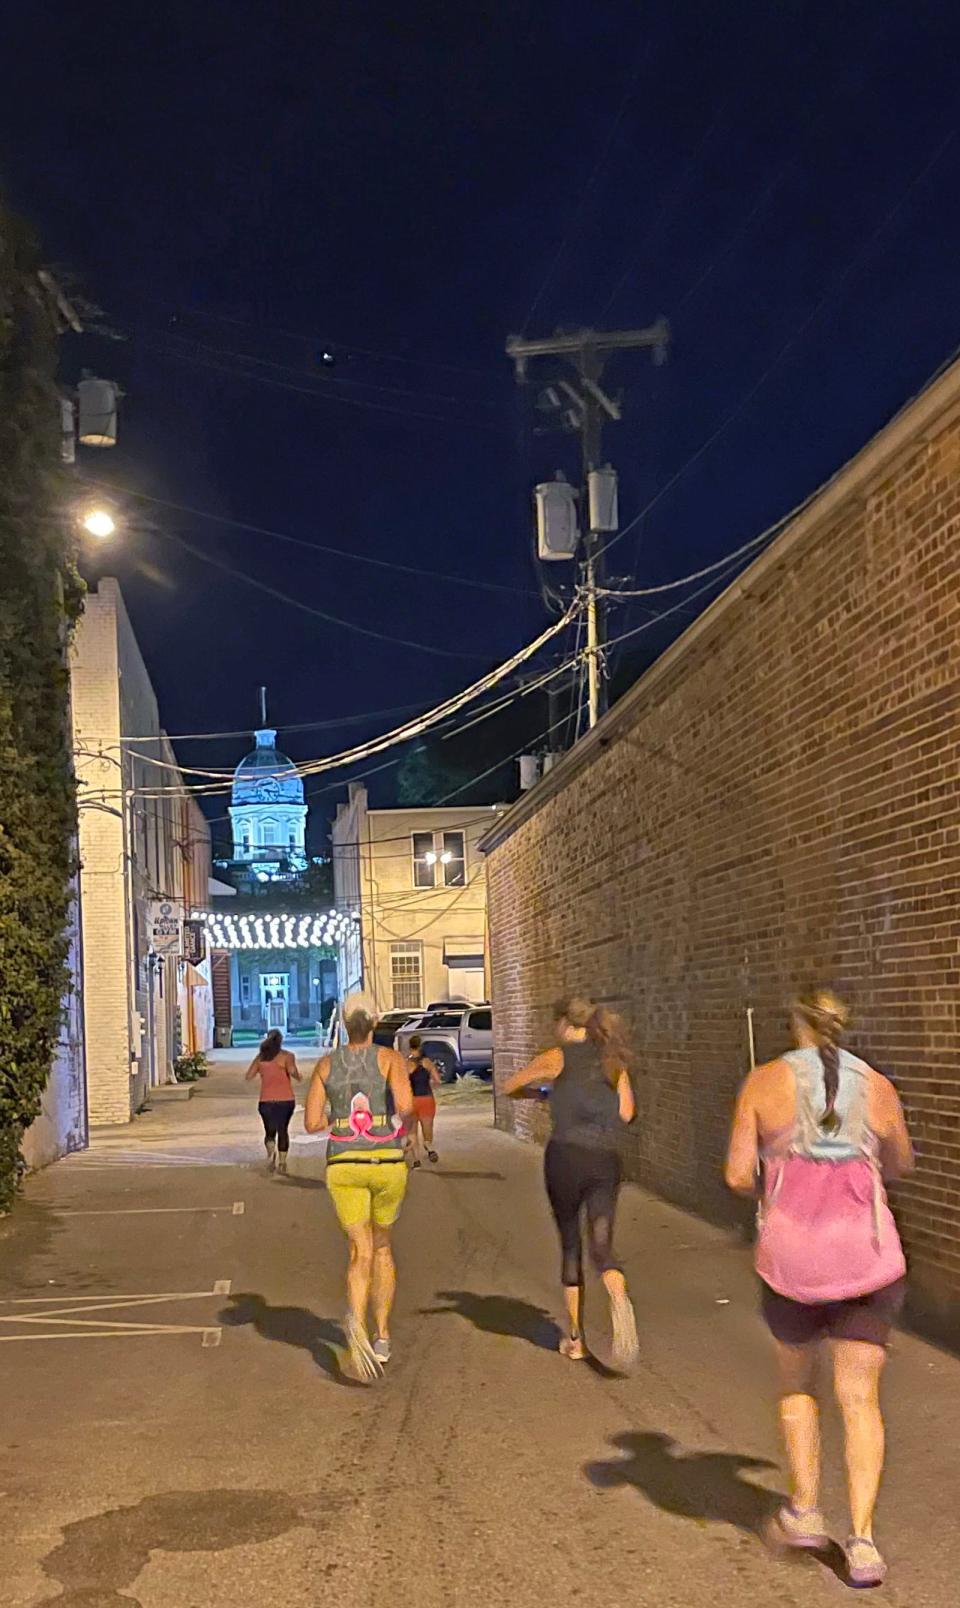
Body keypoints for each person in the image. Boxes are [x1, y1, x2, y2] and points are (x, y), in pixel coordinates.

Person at [725, 989, 914, 1589]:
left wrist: (775, 1180)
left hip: (793, 1264)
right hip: (867, 1260)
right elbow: (901, 1163)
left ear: (795, 1025)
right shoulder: (878, 1087)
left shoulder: (762, 1082)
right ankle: (862, 1544)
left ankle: (805, 1511)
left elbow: (735, 1174)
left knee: (797, 1384)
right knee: (860, 1399)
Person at [502, 996, 639, 1368]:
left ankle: (576, 1339)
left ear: (564, 1023)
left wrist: (543, 1093)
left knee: (570, 1245)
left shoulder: (556, 1057)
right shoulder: (612, 1060)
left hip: (565, 1158)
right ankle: (617, 1291)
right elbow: (626, 1113)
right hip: (605, 1160)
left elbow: (509, 1086)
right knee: (601, 1245)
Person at [305, 994, 414, 1381]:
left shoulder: (325, 1065)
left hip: (344, 1164)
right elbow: (406, 1105)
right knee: (382, 1244)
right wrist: (396, 1127)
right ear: (375, 1022)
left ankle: (358, 1329)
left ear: (344, 1024)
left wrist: (341, 1120)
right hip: (386, 1162)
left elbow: (311, 1123)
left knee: (359, 1249)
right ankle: (382, 1334)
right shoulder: (390, 1060)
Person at [245, 1028, 302, 1174]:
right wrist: (298, 1076)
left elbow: (249, 1075)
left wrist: (263, 1071)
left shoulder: (261, 1058)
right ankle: (282, 1162)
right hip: (286, 1100)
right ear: (281, 1041)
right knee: (283, 1130)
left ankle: (271, 1155)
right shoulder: (287, 1056)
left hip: (266, 1101)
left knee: (269, 1132)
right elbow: (292, 1071)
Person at [406, 1034, 441, 1167]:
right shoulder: (427, 1062)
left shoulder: (406, 1064)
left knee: (412, 1132)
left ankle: (416, 1160)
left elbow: (401, 1082)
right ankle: (429, 1148)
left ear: (410, 1048)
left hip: (411, 1101)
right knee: (427, 1131)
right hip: (426, 1099)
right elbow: (438, 1080)